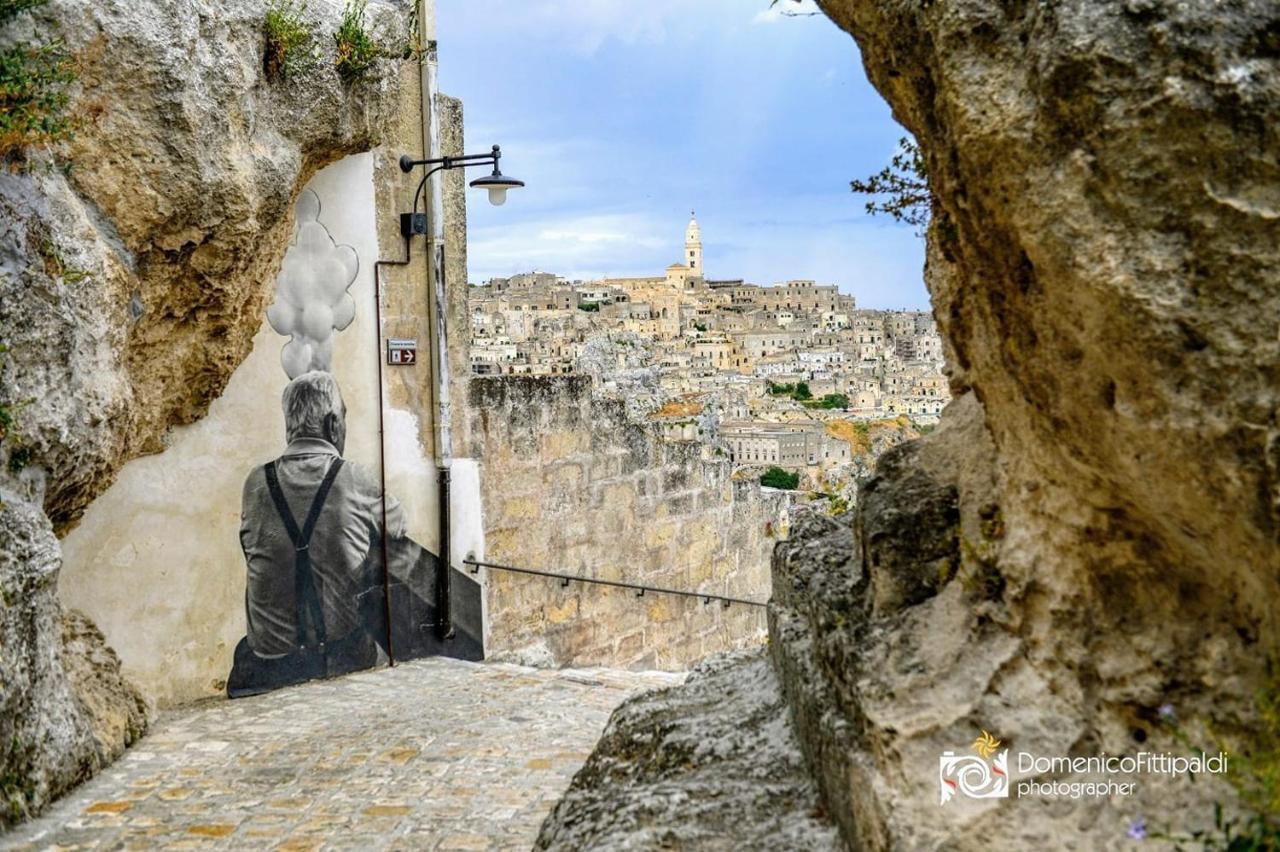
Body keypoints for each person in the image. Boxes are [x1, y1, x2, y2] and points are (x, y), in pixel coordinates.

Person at [228, 370, 402, 697]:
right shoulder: (356, 479)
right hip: (337, 655)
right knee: (379, 651)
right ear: (333, 424)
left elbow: (250, 548)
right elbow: (398, 532)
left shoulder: (256, 483)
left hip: (268, 663)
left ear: (289, 425)